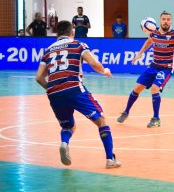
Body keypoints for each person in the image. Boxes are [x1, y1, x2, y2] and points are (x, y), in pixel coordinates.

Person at [35, 20, 121, 168]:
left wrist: (52, 88)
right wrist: (104, 71)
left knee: (68, 127)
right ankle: (110, 159)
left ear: (57, 33)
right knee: (101, 121)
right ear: (72, 32)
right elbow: (93, 63)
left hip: (53, 93)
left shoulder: (47, 50)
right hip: (74, 89)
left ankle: (64, 143)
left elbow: (38, 77)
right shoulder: (78, 44)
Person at [117, 11, 174, 128]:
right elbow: (149, 41)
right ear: (160, 20)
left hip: (166, 68)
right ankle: (126, 112)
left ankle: (156, 118)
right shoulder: (154, 32)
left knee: (154, 88)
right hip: (153, 66)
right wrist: (140, 53)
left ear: (171, 21)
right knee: (136, 89)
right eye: (164, 19)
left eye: (168, 19)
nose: (166, 21)